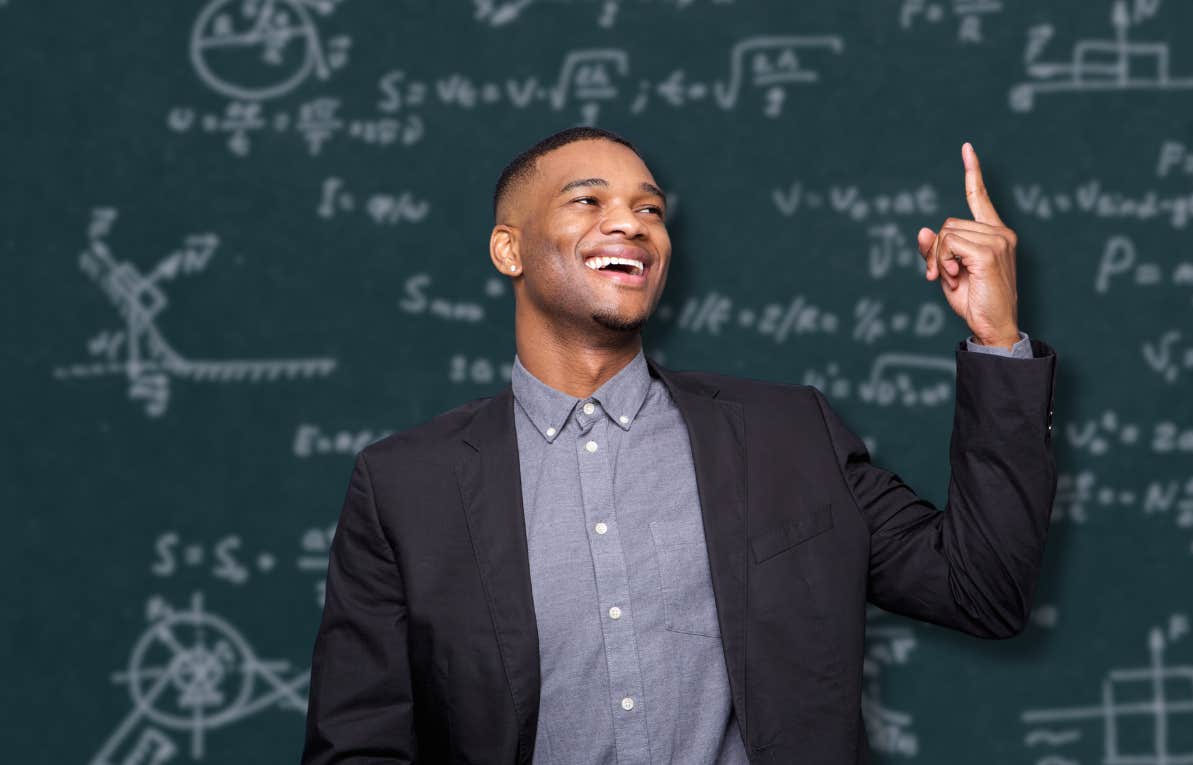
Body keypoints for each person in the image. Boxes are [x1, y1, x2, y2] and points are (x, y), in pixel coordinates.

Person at [300, 126, 1058, 764]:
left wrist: (996, 340)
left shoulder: (789, 436)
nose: (631, 223)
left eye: (650, 209)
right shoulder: (405, 487)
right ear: (509, 249)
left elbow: (980, 589)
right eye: (589, 200)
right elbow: (359, 741)